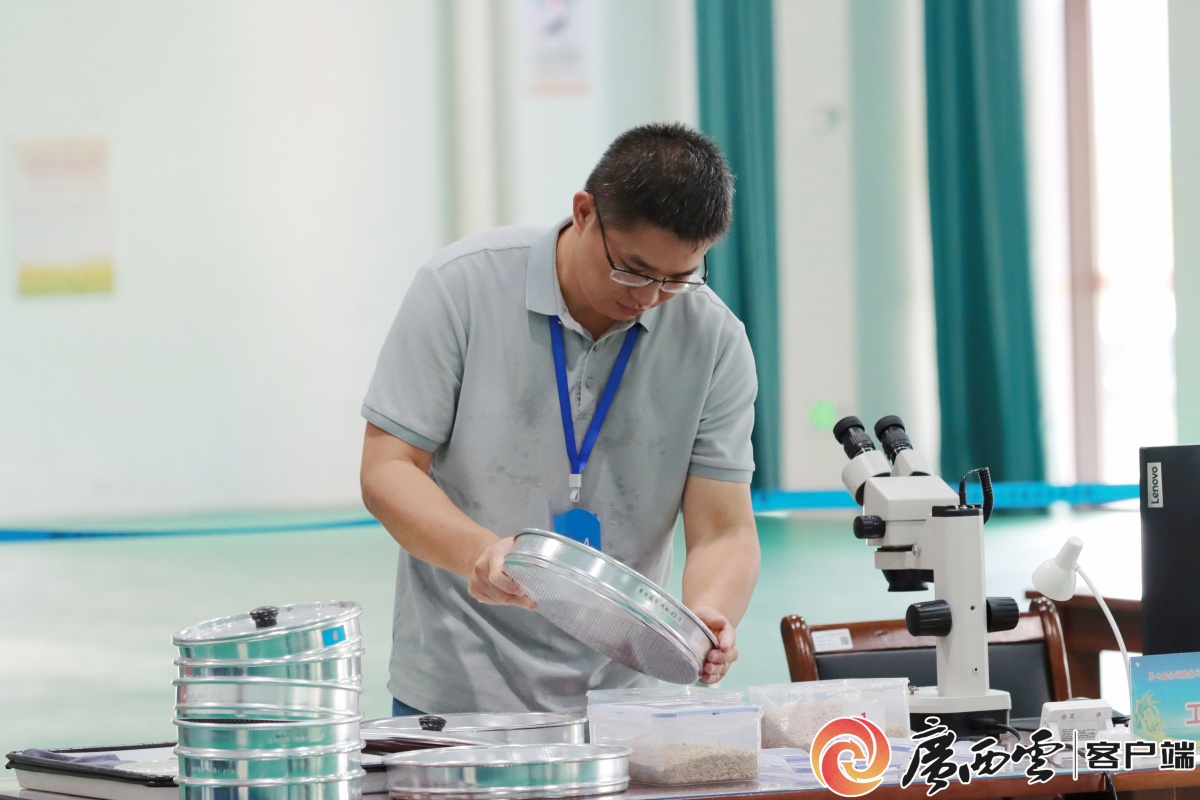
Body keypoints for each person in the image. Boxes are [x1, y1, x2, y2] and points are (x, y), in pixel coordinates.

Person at [359, 122, 761, 716]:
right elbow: (388, 469)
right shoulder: (460, 287)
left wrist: (706, 615)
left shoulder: (714, 340)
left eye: (678, 278)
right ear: (585, 213)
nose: (648, 297)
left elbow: (723, 529)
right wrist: (481, 554)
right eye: (633, 269)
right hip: (456, 683)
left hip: (622, 697)